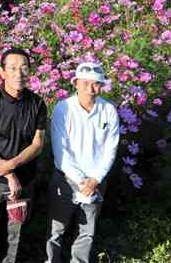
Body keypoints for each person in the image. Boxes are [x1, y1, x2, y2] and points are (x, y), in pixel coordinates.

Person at [0, 47, 47, 263]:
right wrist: (9, 175)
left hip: (25, 179)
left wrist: (12, 166)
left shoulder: (37, 103)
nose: (18, 73)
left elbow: (37, 143)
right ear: (2, 72)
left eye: (24, 68)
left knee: (16, 234)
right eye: (12, 68)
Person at [45, 62, 121, 263]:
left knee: (86, 233)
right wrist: (82, 181)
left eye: (96, 84)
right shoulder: (64, 109)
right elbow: (61, 152)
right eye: (85, 83)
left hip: (96, 181)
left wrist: (94, 179)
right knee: (56, 230)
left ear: (101, 86)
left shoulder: (108, 111)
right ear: (76, 83)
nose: (90, 88)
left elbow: (110, 149)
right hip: (66, 179)